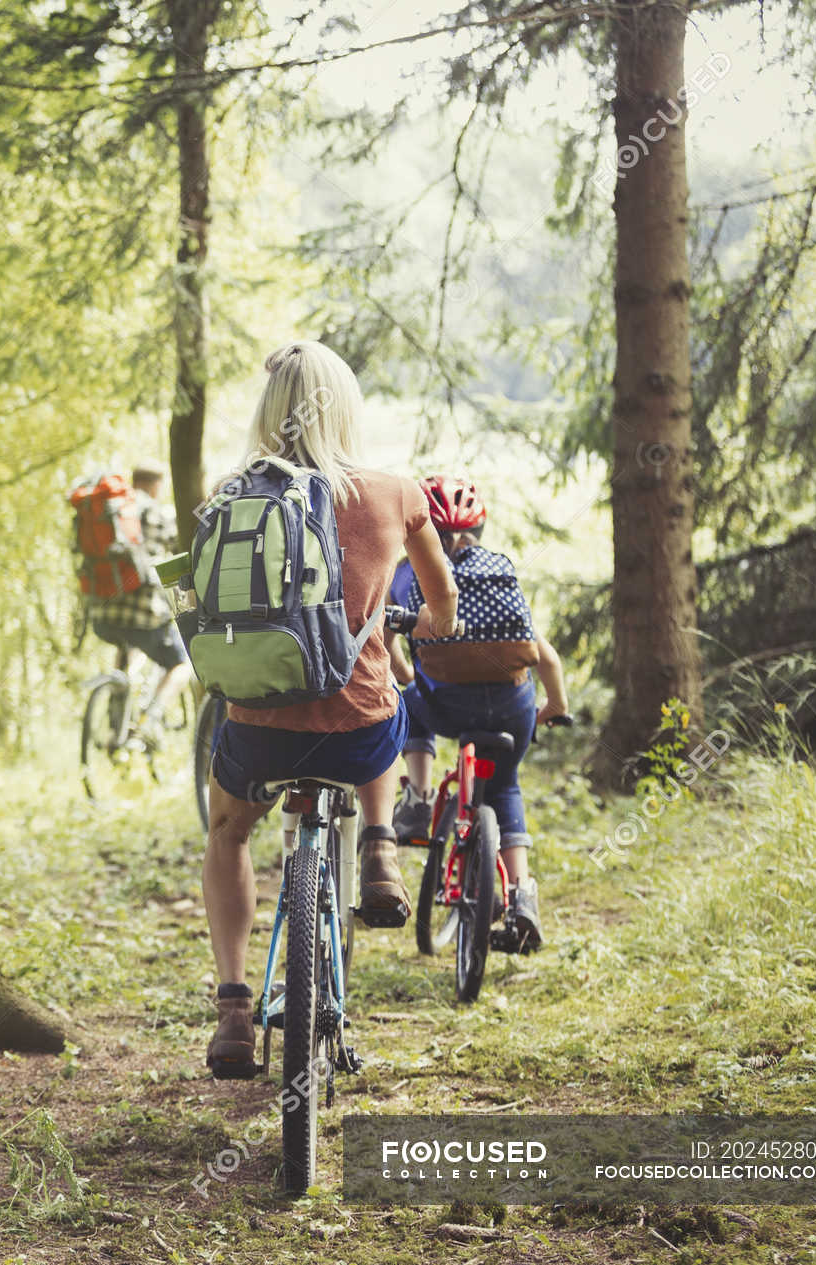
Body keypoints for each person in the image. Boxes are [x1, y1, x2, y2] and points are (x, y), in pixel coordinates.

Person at [202, 342, 459, 1079]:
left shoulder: (230, 496)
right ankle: (379, 844)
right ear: (346, 408)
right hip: (358, 736)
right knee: (394, 704)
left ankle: (231, 1007)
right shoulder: (395, 493)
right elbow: (438, 603)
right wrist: (425, 627)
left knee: (226, 832)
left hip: (257, 735)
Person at [387, 476, 571, 953]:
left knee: (410, 705)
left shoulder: (408, 574)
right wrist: (554, 707)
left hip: (448, 706)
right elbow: (544, 655)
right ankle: (521, 896)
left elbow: (388, 644)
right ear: (479, 530)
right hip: (512, 708)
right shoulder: (500, 571)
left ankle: (420, 797)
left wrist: (410, 676)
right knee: (505, 785)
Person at [86, 460, 194, 736]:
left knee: (126, 644)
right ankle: (147, 724)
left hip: (101, 615)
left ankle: (116, 715)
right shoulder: (158, 513)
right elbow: (180, 551)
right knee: (181, 665)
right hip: (144, 617)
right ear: (157, 485)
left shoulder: (111, 512)